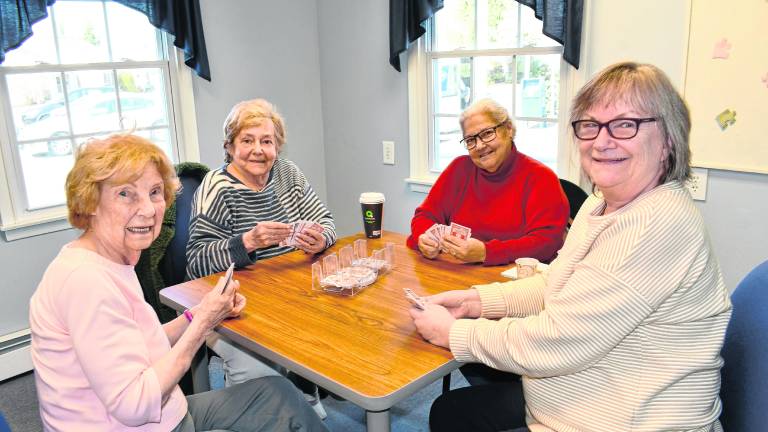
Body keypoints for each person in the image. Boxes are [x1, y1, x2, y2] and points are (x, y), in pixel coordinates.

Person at [410, 62, 732, 431]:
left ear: (668, 141)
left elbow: (557, 342)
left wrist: (453, 334)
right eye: (590, 125)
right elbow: (556, 281)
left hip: (623, 420)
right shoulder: (602, 203)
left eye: (626, 124)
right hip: (577, 397)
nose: (602, 141)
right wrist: (476, 301)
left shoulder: (656, 224)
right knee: (452, 412)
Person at [29, 134, 327, 432]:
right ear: (90, 201)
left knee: (279, 395)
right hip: (138, 422)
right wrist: (202, 326)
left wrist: (200, 313)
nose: (147, 209)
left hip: (167, 412)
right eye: (125, 194)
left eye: (155, 192)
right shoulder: (85, 282)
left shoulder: (111, 259)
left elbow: (140, 343)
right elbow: (134, 404)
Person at [186, 98, 336, 417]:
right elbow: (196, 262)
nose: (258, 150)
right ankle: (256, 410)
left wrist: (321, 239)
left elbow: (327, 221)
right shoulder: (216, 187)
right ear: (229, 146)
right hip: (235, 306)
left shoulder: (286, 174)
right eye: (247, 140)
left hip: (291, 296)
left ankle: (304, 391)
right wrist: (247, 242)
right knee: (258, 374)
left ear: (277, 147)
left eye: (266, 141)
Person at [406, 98, 569, 266]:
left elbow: (547, 243)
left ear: (509, 129)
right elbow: (424, 216)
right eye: (470, 140)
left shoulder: (541, 178)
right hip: (457, 273)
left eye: (487, 133)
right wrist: (424, 238)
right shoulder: (458, 169)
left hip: (514, 281)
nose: (479, 145)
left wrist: (486, 252)